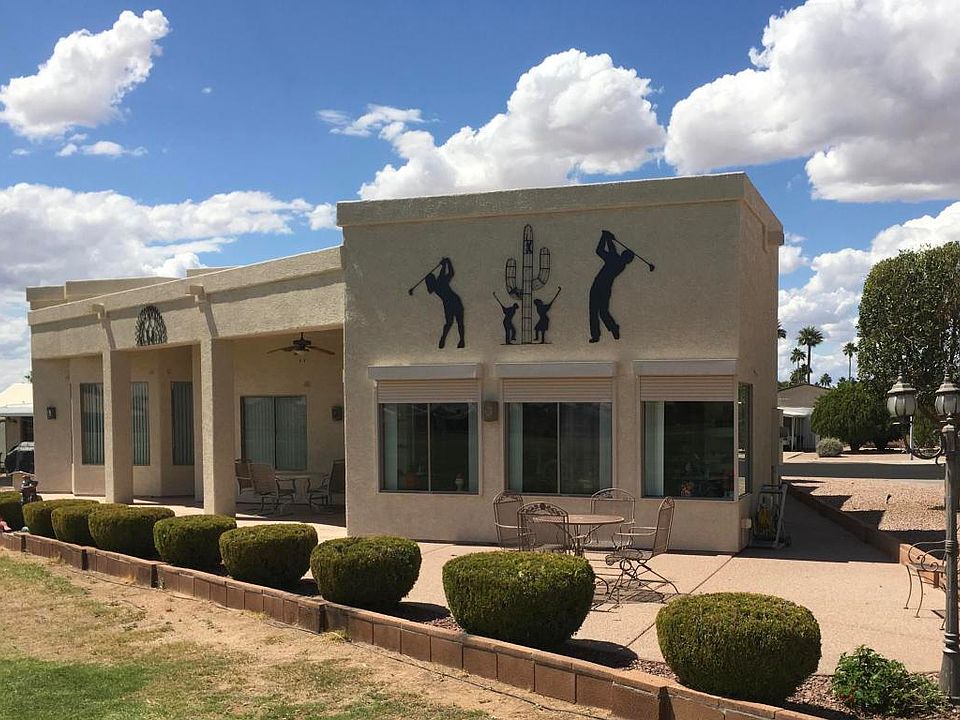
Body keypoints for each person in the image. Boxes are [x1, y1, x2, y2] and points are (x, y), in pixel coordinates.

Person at [588, 230, 634, 342]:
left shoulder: (616, 260)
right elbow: (612, 250)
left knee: (595, 312)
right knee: (602, 312)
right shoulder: (621, 264)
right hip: (605, 288)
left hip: (598, 286)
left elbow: (600, 250)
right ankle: (612, 328)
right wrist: (608, 238)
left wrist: (605, 237)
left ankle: (597, 335)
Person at [425, 257, 465, 349]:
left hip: (452, 302)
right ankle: (448, 339)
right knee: (452, 322)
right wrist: (446, 263)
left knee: (454, 322)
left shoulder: (436, 284)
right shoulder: (438, 282)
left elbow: (449, 273)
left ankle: (458, 340)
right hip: (451, 302)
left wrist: (446, 264)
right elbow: (448, 273)